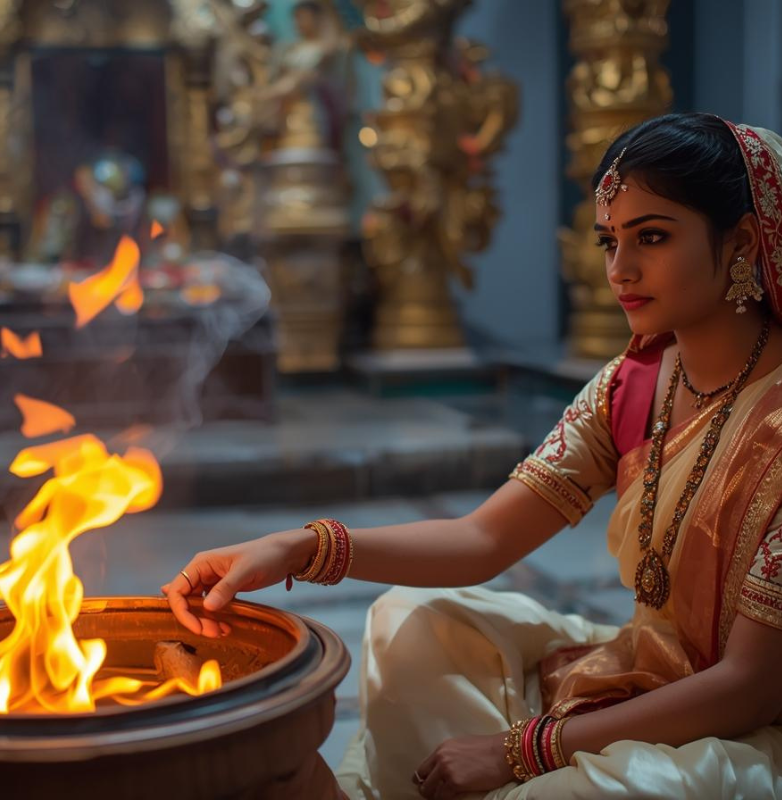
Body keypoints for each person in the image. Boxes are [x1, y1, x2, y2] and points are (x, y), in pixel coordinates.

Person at [163, 112, 782, 798]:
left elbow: (750, 687)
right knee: (407, 624)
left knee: (562, 794)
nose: (619, 269)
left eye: (653, 238)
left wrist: (524, 751)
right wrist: (299, 548)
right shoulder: (631, 384)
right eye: (608, 241)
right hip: (640, 663)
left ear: (744, 241)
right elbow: (481, 538)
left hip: (738, 726)